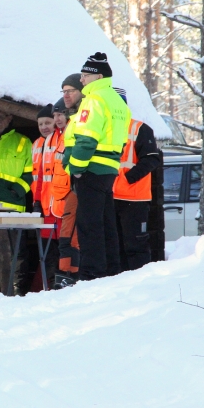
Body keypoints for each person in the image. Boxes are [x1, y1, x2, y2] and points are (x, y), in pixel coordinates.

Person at [63, 53, 131, 280]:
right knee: (106, 221)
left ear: (98, 76)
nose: (81, 80)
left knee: (88, 224)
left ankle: (92, 272)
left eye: (84, 76)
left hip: (91, 168)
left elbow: (86, 139)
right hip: (109, 167)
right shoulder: (116, 101)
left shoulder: (94, 100)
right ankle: (111, 269)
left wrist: (77, 168)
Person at [112, 88, 162, 271]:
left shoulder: (140, 128)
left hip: (134, 199)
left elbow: (152, 159)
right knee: (114, 246)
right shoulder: (104, 130)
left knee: (135, 245)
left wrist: (129, 178)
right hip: (110, 197)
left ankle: (138, 283)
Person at [53, 76, 84, 286]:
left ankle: (72, 275)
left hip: (75, 190)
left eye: (62, 114)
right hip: (63, 197)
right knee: (66, 238)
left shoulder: (76, 127)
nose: (59, 118)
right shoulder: (57, 138)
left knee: (73, 238)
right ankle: (66, 274)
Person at [29, 103, 60, 290]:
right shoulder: (36, 144)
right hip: (42, 205)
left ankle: (56, 282)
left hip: (57, 205)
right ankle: (47, 283)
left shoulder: (58, 141)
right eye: (40, 124)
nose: (44, 127)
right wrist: (36, 203)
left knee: (59, 248)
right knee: (47, 250)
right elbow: (37, 178)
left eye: (47, 122)